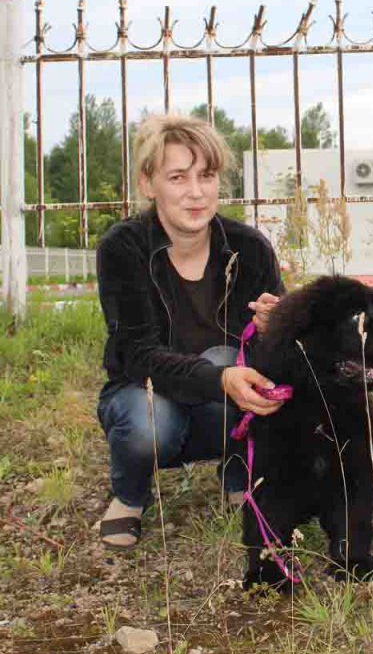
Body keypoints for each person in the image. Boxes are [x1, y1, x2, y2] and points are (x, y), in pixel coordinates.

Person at [96, 114, 285, 549]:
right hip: (147, 396)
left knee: (229, 358)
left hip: (220, 409)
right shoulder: (123, 247)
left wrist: (273, 326)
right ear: (149, 184)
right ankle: (129, 495)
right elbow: (135, 353)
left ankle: (240, 474)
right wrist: (218, 378)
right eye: (178, 177)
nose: (196, 192)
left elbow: (277, 348)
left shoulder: (249, 246)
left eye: (207, 175)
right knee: (150, 421)